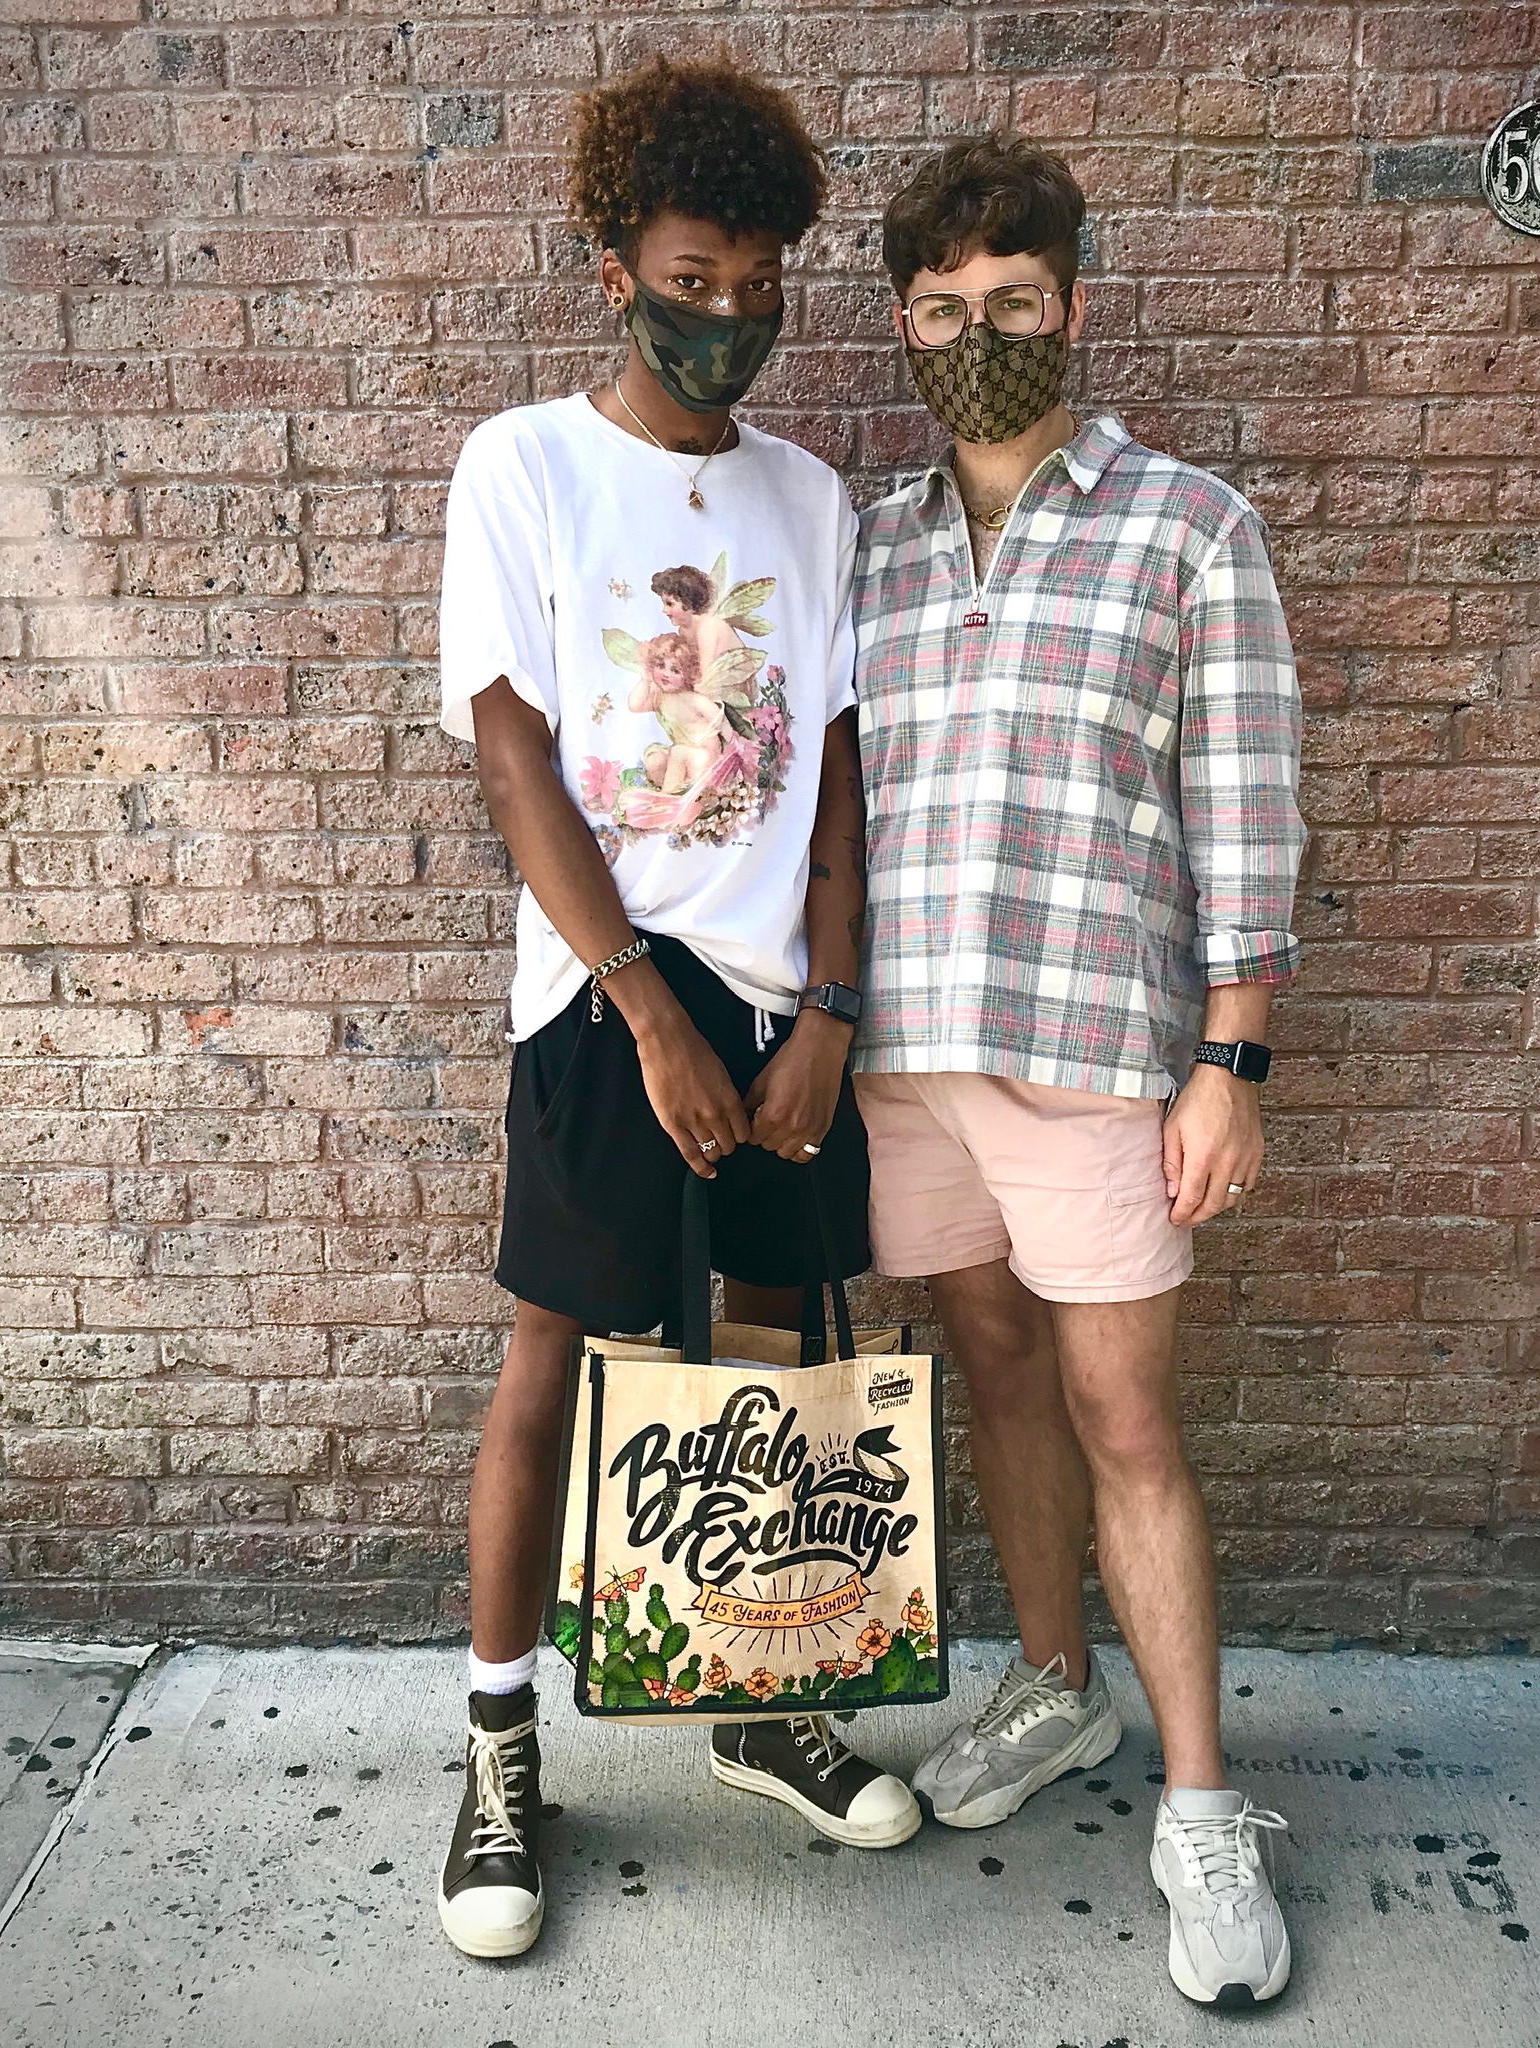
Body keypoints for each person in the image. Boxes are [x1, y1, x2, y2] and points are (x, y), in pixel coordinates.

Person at [434, 57, 918, 1962]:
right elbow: (512, 756)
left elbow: (845, 779)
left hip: (780, 1005)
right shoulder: (523, 465)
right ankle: (494, 1749)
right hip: (597, 1002)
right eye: (694, 275)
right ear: (611, 259)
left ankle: (751, 1697)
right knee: (554, 1357)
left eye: (762, 281)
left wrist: (834, 1011)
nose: (730, 315)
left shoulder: (813, 498)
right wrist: (639, 1006)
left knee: (775, 1355)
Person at [850, 136, 1307, 2009]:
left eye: (1012, 304)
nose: (979, 337)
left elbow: (1249, 810)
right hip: (906, 1061)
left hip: (1097, 1058)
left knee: (1126, 1425)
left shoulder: (1187, 525)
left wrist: (1232, 1062)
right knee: (996, 1376)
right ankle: (1054, 1692)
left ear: (1073, 303)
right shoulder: (863, 542)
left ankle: (1200, 1809)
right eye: (943, 312)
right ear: (905, 323)